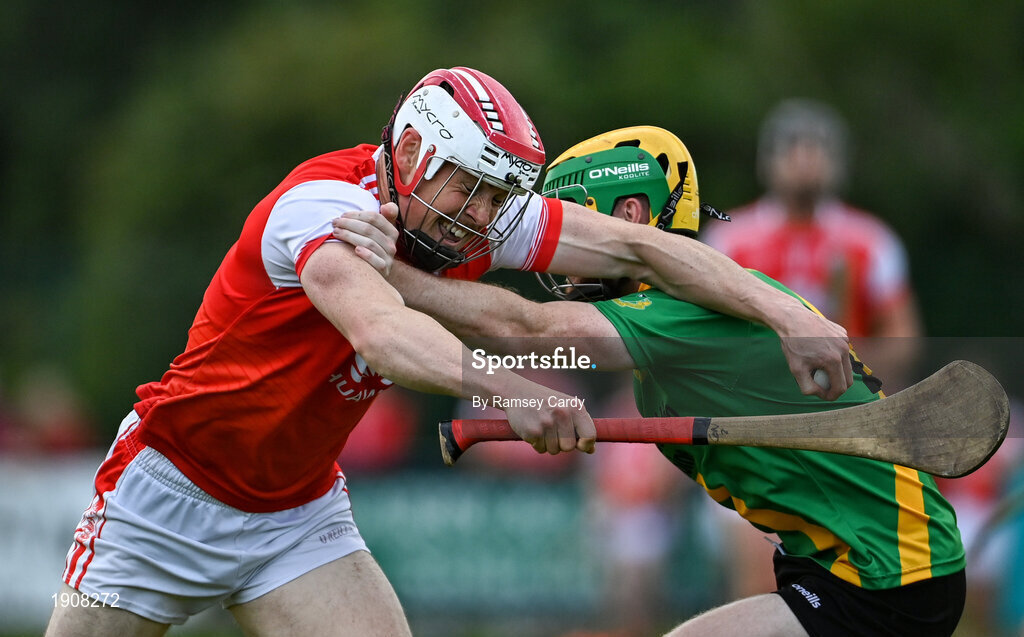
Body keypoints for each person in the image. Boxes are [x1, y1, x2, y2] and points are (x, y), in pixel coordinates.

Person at [46, 66, 851, 637]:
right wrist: (516, 389)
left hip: (293, 515)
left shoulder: (478, 218)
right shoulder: (322, 208)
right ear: (408, 157)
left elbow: (641, 250)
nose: (482, 214)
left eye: (499, 195)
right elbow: (384, 334)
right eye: (467, 186)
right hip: (169, 492)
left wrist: (783, 308)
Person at [340, 126, 966, 637]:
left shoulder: (680, 316)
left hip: (889, 573)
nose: (564, 248)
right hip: (843, 567)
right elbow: (549, 357)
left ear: (630, 213)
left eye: (580, 220)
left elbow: (524, 325)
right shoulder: (663, 342)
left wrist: (393, 274)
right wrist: (519, 396)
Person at [703, 99, 922, 388]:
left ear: (838, 160)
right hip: (753, 399)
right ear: (767, 160)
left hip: (846, 398)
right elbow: (703, 332)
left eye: (817, 147)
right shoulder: (728, 240)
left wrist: (854, 376)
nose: (805, 158)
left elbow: (904, 338)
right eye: (792, 145)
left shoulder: (872, 240)